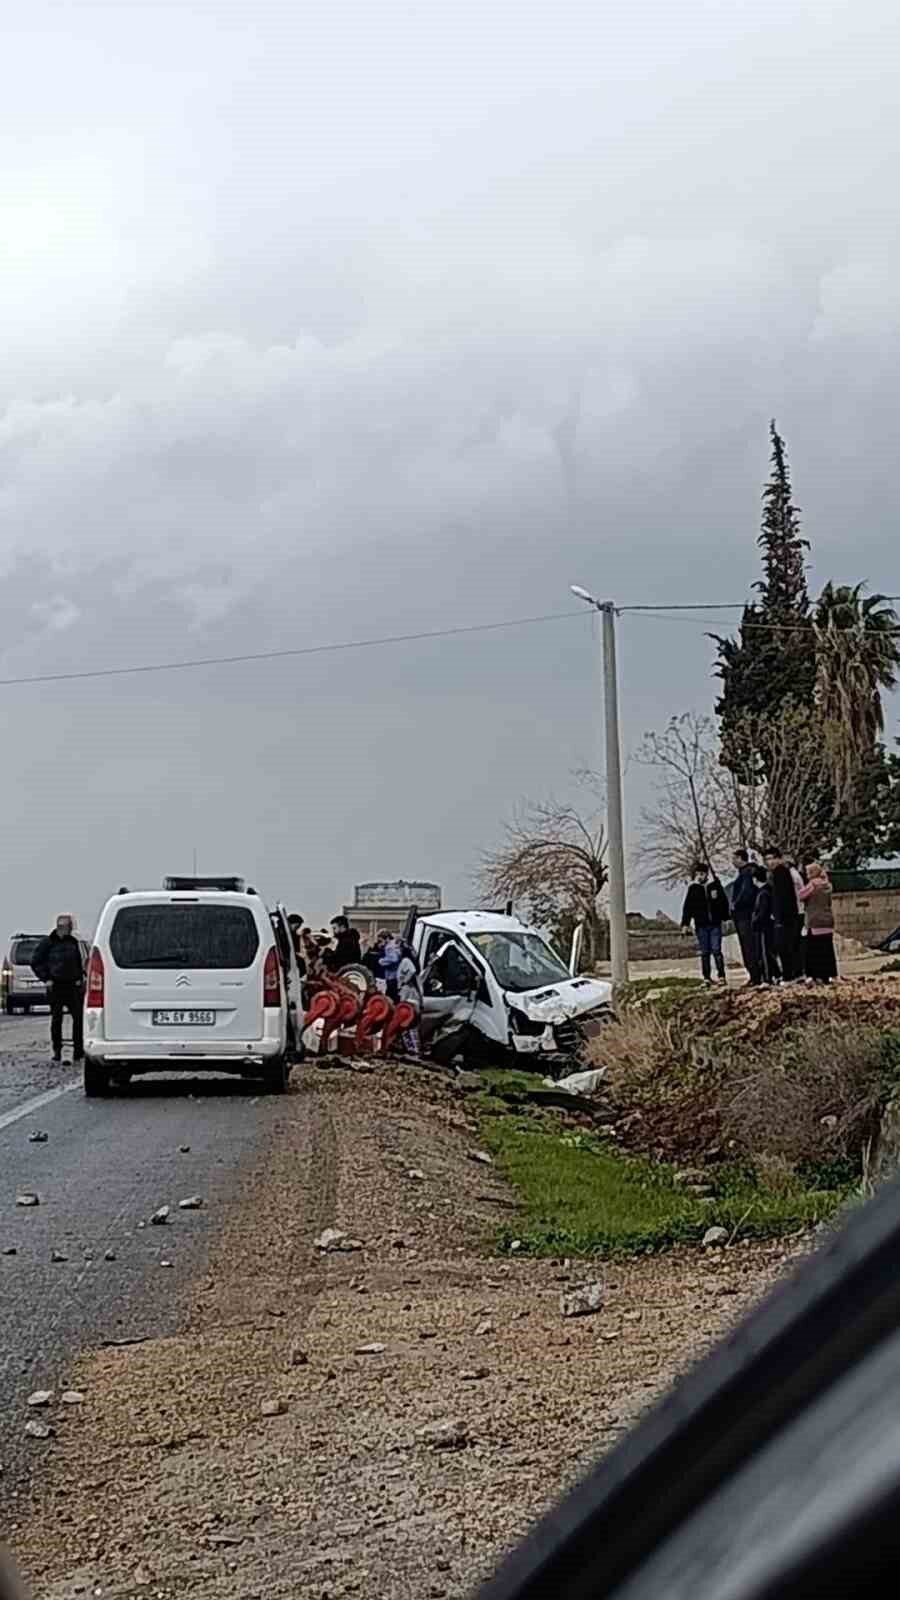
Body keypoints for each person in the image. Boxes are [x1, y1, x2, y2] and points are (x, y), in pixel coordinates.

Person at [31, 914, 85, 1065]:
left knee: (78, 1019)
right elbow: (35, 962)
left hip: (73, 986)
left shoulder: (73, 942)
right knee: (57, 1019)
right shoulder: (47, 943)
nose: (72, 928)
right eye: (70, 926)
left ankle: (78, 1050)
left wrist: (80, 977)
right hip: (55, 985)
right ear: (62, 927)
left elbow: (78, 961)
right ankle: (57, 1050)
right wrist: (46, 978)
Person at [681, 863, 729, 983]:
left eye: (702, 874)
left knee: (716, 950)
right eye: (697, 874)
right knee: (705, 952)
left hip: (715, 924)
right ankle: (706, 977)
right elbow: (688, 908)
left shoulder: (715, 886)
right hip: (701, 925)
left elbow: (724, 903)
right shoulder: (693, 889)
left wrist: (726, 918)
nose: (699, 877)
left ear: (707, 874)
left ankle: (721, 976)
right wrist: (685, 924)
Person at [765, 846, 802, 982]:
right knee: (787, 946)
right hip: (788, 915)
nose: (768, 862)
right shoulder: (781, 872)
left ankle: (789, 975)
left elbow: (783, 897)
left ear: (778, 858)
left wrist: (779, 917)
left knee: (784, 947)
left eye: (770, 858)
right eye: (766, 860)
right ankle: (793, 974)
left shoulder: (780, 872)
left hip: (785, 917)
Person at [798, 861, 838, 983]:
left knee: (814, 949)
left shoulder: (813, 885)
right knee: (827, 949)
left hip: (815, 920)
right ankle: (829, 974)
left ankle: (816, 975)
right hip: (827, 919)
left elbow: (801, 895)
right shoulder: (828, 885)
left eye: (807, 872)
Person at [730, 848, 760, 985]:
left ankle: (755, 976)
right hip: (744, 915)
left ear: (740, 858)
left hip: (745, 916)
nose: (732, 862)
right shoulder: (744, 873)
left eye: (734, 858)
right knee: (749, 946)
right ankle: (754, 975)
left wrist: (735, 904)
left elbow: (746, 893)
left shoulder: (747, 873)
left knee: (749, 946)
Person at [750, 864, 781, 985]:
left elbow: (762, 912)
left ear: (755, 879)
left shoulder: (762, 894)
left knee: (765, 953)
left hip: (764, 927)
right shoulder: (769, 890)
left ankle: (768, 978)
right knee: (769, 952)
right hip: (769, 925)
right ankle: (776, 975)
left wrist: (755, 921)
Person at [395, 942, 423, 1057]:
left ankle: (413, 1049)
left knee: (407, 1023)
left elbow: (411, 971)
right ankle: (414, 1048)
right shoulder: (408, 961)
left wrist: (404, 981)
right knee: (410, 1025)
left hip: (408, 995)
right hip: (410, 996)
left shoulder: (405, 961)